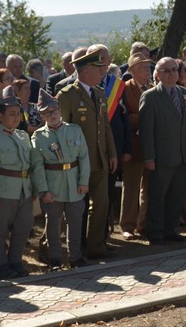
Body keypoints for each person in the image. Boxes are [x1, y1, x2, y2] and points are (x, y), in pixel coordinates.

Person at [57, 45, 118, 257]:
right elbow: (60, 130)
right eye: (97, 68)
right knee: (73, 207)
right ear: (85, 71)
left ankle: (95, 246)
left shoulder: (99, 93)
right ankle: (68, 247)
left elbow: (105, 127)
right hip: (77, 162)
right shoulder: (67, 95)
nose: (102, 72)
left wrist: (112, 153)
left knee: (101, 204)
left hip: (99, 159)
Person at [0, 96, 36, 279]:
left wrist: (34, 189)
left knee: (23, 228)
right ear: (0, 116)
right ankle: (1, 264)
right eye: (12, 114)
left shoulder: (23, 136)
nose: (16, 117)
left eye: (18, 114)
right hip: (2, 192)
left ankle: (15, 261)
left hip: (24, 191)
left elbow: (31, 165)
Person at [29, 93, 90, 267]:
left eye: (54, 110)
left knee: (75, 222)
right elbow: (37, 167)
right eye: (47, 113)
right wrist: (43, 191)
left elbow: (84, 157)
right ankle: (55, 259)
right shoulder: (38, 137)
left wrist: (84, 181)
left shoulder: (74, 130)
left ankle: (75, 257)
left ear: (60, 110)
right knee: (53, 224)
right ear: (42, 116)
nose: (52, 115)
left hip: (74, 184)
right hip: (53, 186)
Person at [140, 56, 186, 242]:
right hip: (161, 157)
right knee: (157, 196)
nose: (171, 74)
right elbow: (146, 130)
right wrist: (149, 157)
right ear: (158, 75)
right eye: (166, 71)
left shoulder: (184, 94)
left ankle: (170, 230)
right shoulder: (150, 96)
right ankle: (154, 232)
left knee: (176, 196)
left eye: (174, 70)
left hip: (182, 155)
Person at [118, 52, 154, 239]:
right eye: (144, 68)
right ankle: (127, 226)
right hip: (133, 148)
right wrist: (146, 119)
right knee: (131, 188)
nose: (148, 70)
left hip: (151, 148)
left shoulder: (152, 88)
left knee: (149, 188)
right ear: (133, 71)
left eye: (149, 67)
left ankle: (145, 224)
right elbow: (123, 117)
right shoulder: (124, 89)